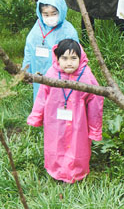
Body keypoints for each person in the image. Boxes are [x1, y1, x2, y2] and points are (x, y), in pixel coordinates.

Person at [26, 39, 104, 183]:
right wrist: (36, 116)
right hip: (54, 120)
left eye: (74, 58)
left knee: (78, 146)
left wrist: (94, 129)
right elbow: (42, 96)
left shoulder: (86, 77)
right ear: (57, 58)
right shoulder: (51, 74)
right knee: (55, 143)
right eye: (65, 58)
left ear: (80, 58)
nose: (69, 62)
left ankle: (77, 172)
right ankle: (56, 170)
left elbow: (96, 104)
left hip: (79, 123)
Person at [22, 0, 79, 99]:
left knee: (61, 100)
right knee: (41, 100)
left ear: (61, 12)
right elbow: (29, 50)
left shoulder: (68, 31)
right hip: (40, 76)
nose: (50, 18)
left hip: (63, 76)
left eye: (54, 14)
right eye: (46, 14)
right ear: (40, 14)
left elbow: (77, 55)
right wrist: (26, 72)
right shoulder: (37, 30)